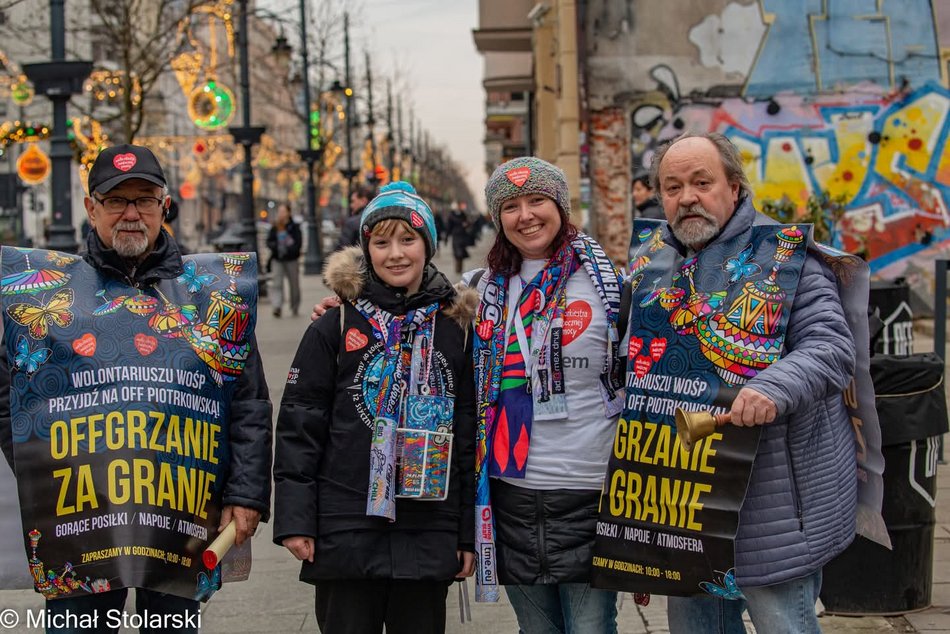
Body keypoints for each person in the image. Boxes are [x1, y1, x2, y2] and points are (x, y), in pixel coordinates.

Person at [0, 143, 273, 633]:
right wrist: (37, 465)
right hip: (80, 518)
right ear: (91, 209)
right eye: (116, 200)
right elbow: (9, 388)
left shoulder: (210, 297)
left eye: (144, 200)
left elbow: (248, 400)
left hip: (180, 515)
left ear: (164, 206)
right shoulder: (50, 296)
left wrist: (246, 494)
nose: (131, 214)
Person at [648, 133, 861, 633]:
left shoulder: (786, 257)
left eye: (702, 182)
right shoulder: (652, 267)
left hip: (773, 507)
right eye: (673, 187)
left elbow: (831, 347)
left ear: (735, 187)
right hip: (686, 504)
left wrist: (773, 387)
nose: (687, 198)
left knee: (783, 624)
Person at [273, 181, 477, 634]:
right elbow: (300, 425)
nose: (396, 254)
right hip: (346, 524)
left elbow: (468, 438)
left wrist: (467, 533)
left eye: (408, 239)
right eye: (381, 243)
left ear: (428, 246)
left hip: (428, 528)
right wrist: (296, 518)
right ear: (366, 250)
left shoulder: (456, 329)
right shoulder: (336, 324)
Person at [470, 157, 626, 632]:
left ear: (560, 206)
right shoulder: (480, 291)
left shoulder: (610, 287)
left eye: (537, 200)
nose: (526, 215)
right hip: (510, 495)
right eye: (510, 206)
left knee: (591, 629)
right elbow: (410, 308)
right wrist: (343, 306)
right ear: (498, 219)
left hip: (589, 489)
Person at [265, 202, 302, 317]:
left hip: (292, 259)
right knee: (277, 284)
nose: (281, 214)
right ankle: (277, 307)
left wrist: (290, 250)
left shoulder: (294, 227)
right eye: (279, 211)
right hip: (278, 259)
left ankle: (295, 306)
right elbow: (269, 241)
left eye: (283, 211)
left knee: (294, 284)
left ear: (288, 213)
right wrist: (276, 247)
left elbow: (298, 243)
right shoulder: (275, 226)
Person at [334, 184, 374, 251]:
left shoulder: (352, 223)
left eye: (353, 201)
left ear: (363, 200)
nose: (351, 205)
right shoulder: (380, 219)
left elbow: (341, 250)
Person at [445, 206, 471, 274]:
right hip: (456, 236)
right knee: (457, 252)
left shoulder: (463, 215)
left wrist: (466, 224)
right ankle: (458, 268)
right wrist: (446, 238)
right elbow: (449, 227)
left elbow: (468, 223)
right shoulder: (451, 216)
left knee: (460, 253)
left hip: (462, 235)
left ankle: (459, 268)